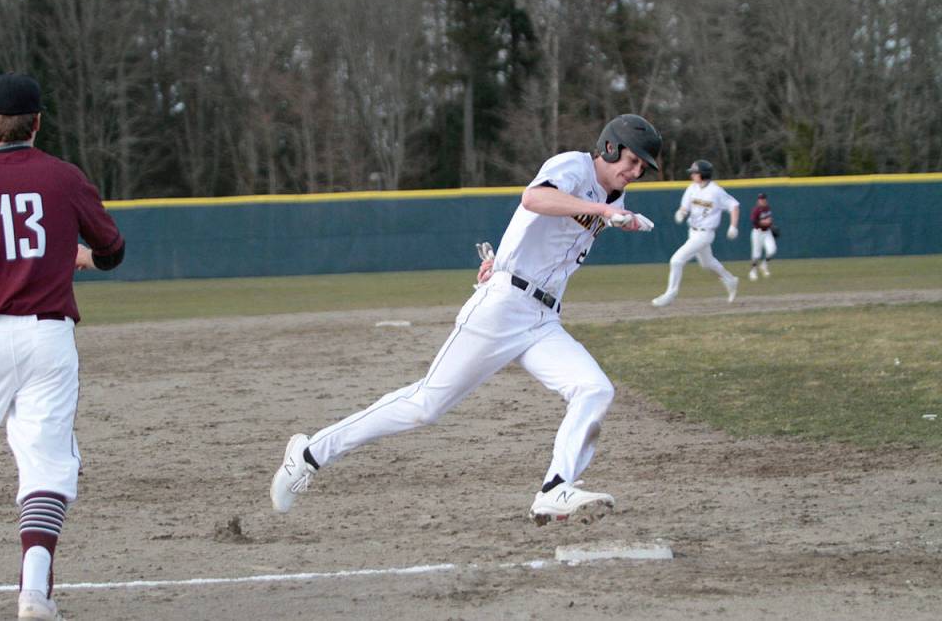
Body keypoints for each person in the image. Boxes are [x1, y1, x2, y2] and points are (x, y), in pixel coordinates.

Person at [271, 114, 662, 525]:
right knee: (425, 406)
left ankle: (555, 488)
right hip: (503, 308)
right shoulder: (575, 166)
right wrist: (597, 211)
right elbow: (533, 200)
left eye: (641, 168)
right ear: (610, 147)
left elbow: (540, 237)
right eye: (632, 161)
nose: (634, 172)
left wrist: (604, 215)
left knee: (594, 389)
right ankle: (309, 454)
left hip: (543, 318)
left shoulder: (612, 201)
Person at [0, 73, 125, 621]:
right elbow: (112, 249)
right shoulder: (63, 177)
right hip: (48, 337)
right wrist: (84, 257)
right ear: (37, 122)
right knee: (46, 466)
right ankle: (35, 594)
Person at [651, 159, 740, 307]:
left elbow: (734, 206)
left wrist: (733, 226)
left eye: (694, 172)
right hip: (693, 232)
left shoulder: (716, 191)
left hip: (705, 234)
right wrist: (681, 213)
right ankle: (730, 280)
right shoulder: (692, 188)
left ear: (702, 174)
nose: (692, 175)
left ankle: (671, 293)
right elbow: (685, 207)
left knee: (676, 260)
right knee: (707, 263)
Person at [748, 192, 776, 281]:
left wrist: (770, 225)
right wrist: (764, 222)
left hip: (767, 232)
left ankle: (764, 265)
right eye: (760, 199)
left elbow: (770, 219)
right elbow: (754, 221)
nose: (762, 200)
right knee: (756, 255)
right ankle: (753, 271)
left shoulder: (768, 208)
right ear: (758, 200)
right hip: (757, 232)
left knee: (772, 250)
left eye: (763, 199)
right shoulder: (756, 210)